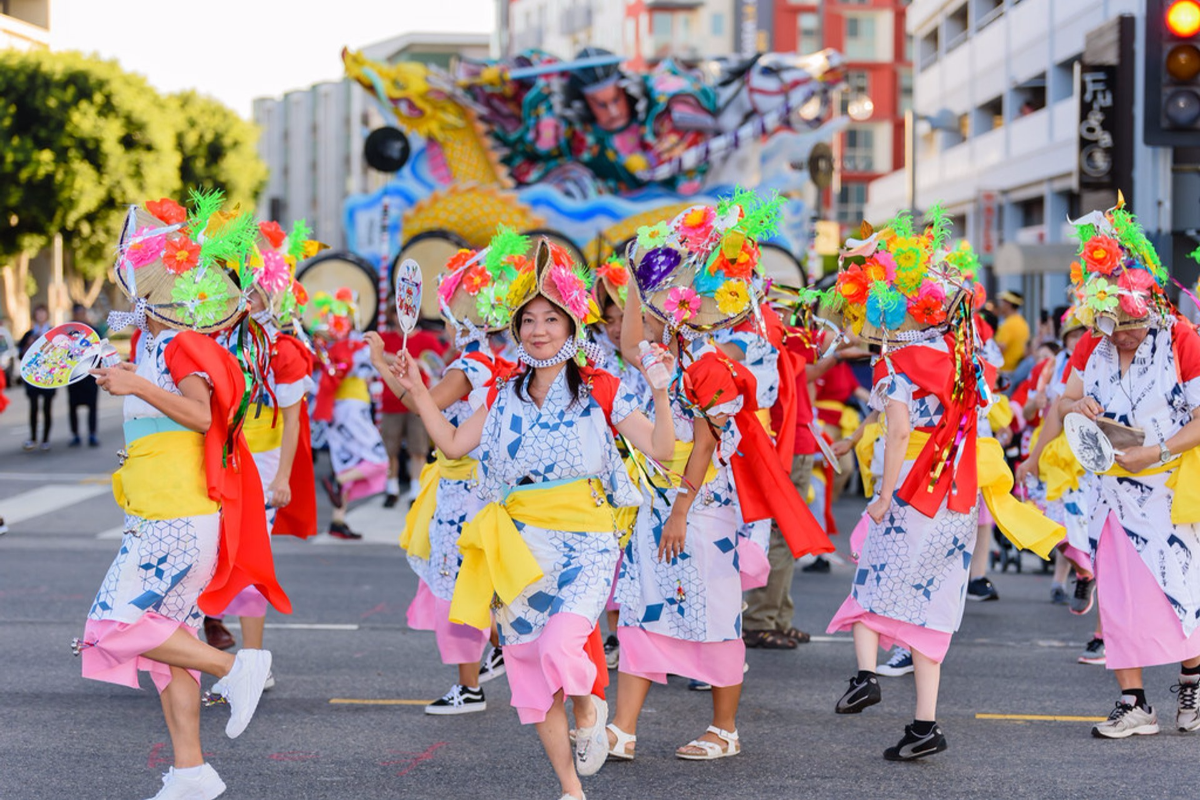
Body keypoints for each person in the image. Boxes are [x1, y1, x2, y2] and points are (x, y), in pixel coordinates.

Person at [390, 236, 676, 800]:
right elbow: (450, 444)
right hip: (518, 548)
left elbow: (663, 449)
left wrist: (662, 392)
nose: (538, 329)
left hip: (587, 545)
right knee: (530, 672)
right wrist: (418, 391)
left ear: (572, 326)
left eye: (551, 318)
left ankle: (591, 703)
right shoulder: (501, 389)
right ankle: (570, 788)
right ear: (516, 327)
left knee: (557, 647)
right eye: (528, 320)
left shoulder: (602, 387)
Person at [824, 209, 1062, 760]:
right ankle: (924, 726)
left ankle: (865, 674)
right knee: (932, 602)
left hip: (911, 486)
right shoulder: (963, 359)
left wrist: (883, 494)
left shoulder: (898, 361)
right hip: (955, 490)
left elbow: (900, 427)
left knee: (870, 573)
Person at [78, 194, 288, 800]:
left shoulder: (178, 347)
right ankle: (191, 772)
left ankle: (236, 666)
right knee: (172, 649)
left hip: (177, 517)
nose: (142, 295)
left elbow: (201, 416)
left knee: (112, 627)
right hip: (163, 514)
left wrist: (137, 384)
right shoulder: (153, 346)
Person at [609, 198, 832, 762]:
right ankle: (623, 728)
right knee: (641, 604)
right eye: (685, 282)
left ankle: (725, 729)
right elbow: (631, 346)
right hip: (659, 493)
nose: (693, 292)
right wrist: (638, 282)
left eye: (704, 280)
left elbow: (708, 435)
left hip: (705, 499)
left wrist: (682, 509)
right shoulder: (679, 342)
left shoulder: (744, 346)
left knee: (713, 611)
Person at [1047, 203, 1200, 739]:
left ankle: (1192, 685)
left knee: (1180, 586)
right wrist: (1078, 409)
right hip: (1109, 488)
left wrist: (1154, 453)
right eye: (1114, 327)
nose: (1123, 338)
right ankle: (1133, 702)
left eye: (1132, 327)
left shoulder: (1182, 338)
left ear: (1151, 310)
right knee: (1117, 593)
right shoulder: (1096, 341)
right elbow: (1065, 401)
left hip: (1169, 487)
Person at [369, 234, 522, 715]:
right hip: (480, 485)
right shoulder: (495, 361)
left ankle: (469, 687)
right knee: (480, 582)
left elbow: (421, 406)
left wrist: (382, 364)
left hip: (462, 490)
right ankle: (495, 656)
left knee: (459, 587)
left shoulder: (469, 365)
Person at [205, 220, 321, 663]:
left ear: (271, 295)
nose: (245, 300)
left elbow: (292, 421)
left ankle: (252, 661)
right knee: (212, 553)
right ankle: (201, 655)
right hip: (221, 457)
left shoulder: (283, 349)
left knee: (251, 557)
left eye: (254, 292)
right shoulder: (215, 341)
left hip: (265, 459)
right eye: (241, 290)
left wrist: (283, 479)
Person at [310, 288, 389, 539]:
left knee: (347, 461)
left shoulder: (329, 347)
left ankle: (338, 519)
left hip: (335, 410)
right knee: (379, 461)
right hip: (352, 408)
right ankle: (338, 480)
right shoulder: (353, 345)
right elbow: (372, 365)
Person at [378, 310, 447, 508]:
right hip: (391, 401)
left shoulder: (426, 338)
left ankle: (415, 490)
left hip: (417, 403)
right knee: (390, 449)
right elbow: (377, 356)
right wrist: (406, 361)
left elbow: (437, 364)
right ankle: (392, 489)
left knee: (418, 448)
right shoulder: (386, 338)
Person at [18, 303, 55, 451]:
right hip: (33, 377)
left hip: (49, 376)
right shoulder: (29, 334)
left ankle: (45, 439)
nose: (40, 316)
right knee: (33, 408)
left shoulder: (53, 333)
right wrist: (28, 346)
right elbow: (21, 355)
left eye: (43, 313)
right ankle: (33, 437)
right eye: (38, 313)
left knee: (47, 408)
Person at [67, 303, 101, 448]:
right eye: (77, 314)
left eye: (82, 313)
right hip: (73, 375)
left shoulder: (93, 331)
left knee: (92, 406)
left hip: (90, 375)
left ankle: (92, 434)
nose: (80, 316)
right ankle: (75, 435)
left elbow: (101, 349)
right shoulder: (68, 332)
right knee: (73, 406)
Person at [995, 290, 1030, 373]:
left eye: (1002, 302)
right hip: (1015, 370)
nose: (1000, 306)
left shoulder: (1008, 324)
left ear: (1008, 304)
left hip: (1005, 371)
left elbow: (1000, 348)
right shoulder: (1022, 322)